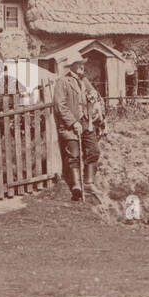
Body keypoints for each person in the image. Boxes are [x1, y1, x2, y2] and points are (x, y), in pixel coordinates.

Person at [53, 57, 101, 200]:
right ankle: (76, 185)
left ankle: (88, 182)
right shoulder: (62, 82)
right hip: (69, 125)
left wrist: (93, 95)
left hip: (86, 122)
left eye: (82, 64)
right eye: (78, 64)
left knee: (93, 150)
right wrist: (73, 122)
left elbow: (94, 94)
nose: (82, 67)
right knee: (73, 154)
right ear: (71, 66)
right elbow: (60, 105)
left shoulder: (84, 80)